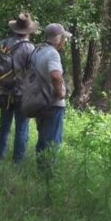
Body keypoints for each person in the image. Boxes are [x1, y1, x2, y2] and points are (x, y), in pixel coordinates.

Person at [0, 13, 38, 163]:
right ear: (29, 31)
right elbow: (33, 73)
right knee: (22, 128)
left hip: (4, 92)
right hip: (22, 94)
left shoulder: (3, 43)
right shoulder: (30, 48)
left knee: (4, 126)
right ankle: (17, 162)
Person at [30, 22, 71, 174]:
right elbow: (55, 75)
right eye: (63, 38)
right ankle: (47, 175)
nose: (64, 42)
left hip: (39, 101)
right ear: (58, 38)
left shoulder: (37, 50)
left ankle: (40, 170)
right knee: (52, 141)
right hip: (53, 104)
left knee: (42, 139)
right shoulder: (53, 54)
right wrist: (60, 93)